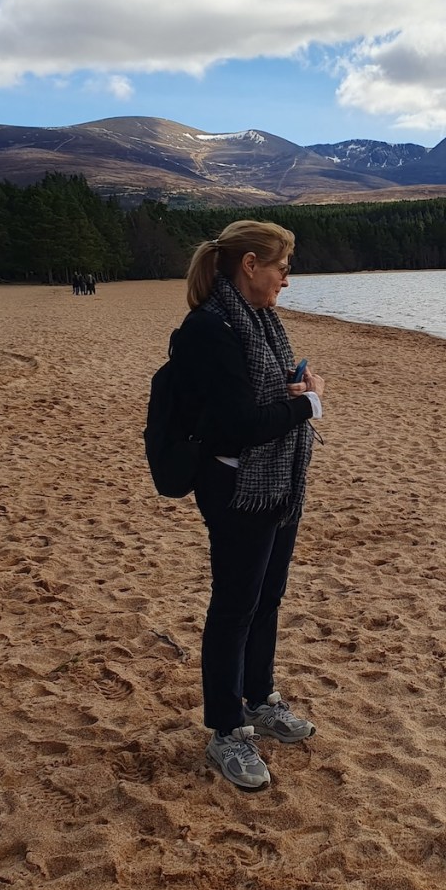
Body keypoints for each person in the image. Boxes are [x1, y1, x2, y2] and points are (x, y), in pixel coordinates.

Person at [172, 219, 324, 790]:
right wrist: (308, 405)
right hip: (237, 489)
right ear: (251, 265)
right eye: (283, 268)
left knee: (268, 598)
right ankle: (225, 730)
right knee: (234, 607)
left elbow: (253, 396)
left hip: (278, 483)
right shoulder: (209, 329)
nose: (288, 280)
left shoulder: (260, 320)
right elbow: (236, 423)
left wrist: (294, 384)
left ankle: (260, 699)